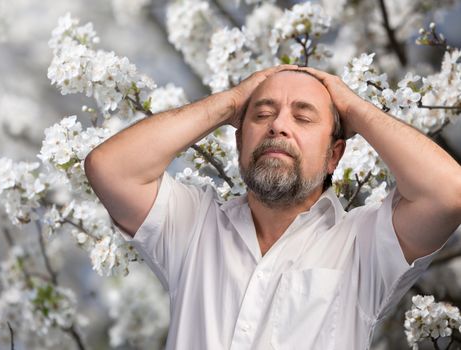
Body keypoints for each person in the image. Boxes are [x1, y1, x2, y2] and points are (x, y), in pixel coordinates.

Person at [84, 65, 461, 350]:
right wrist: (231, 100)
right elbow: (111, 168)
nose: (278, 125)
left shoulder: (363, 246)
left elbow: (449, 193)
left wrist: (352, 108)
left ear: (334, 155)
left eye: (303, 117)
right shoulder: (193, 227)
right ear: (238, 145)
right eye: (262, 114)